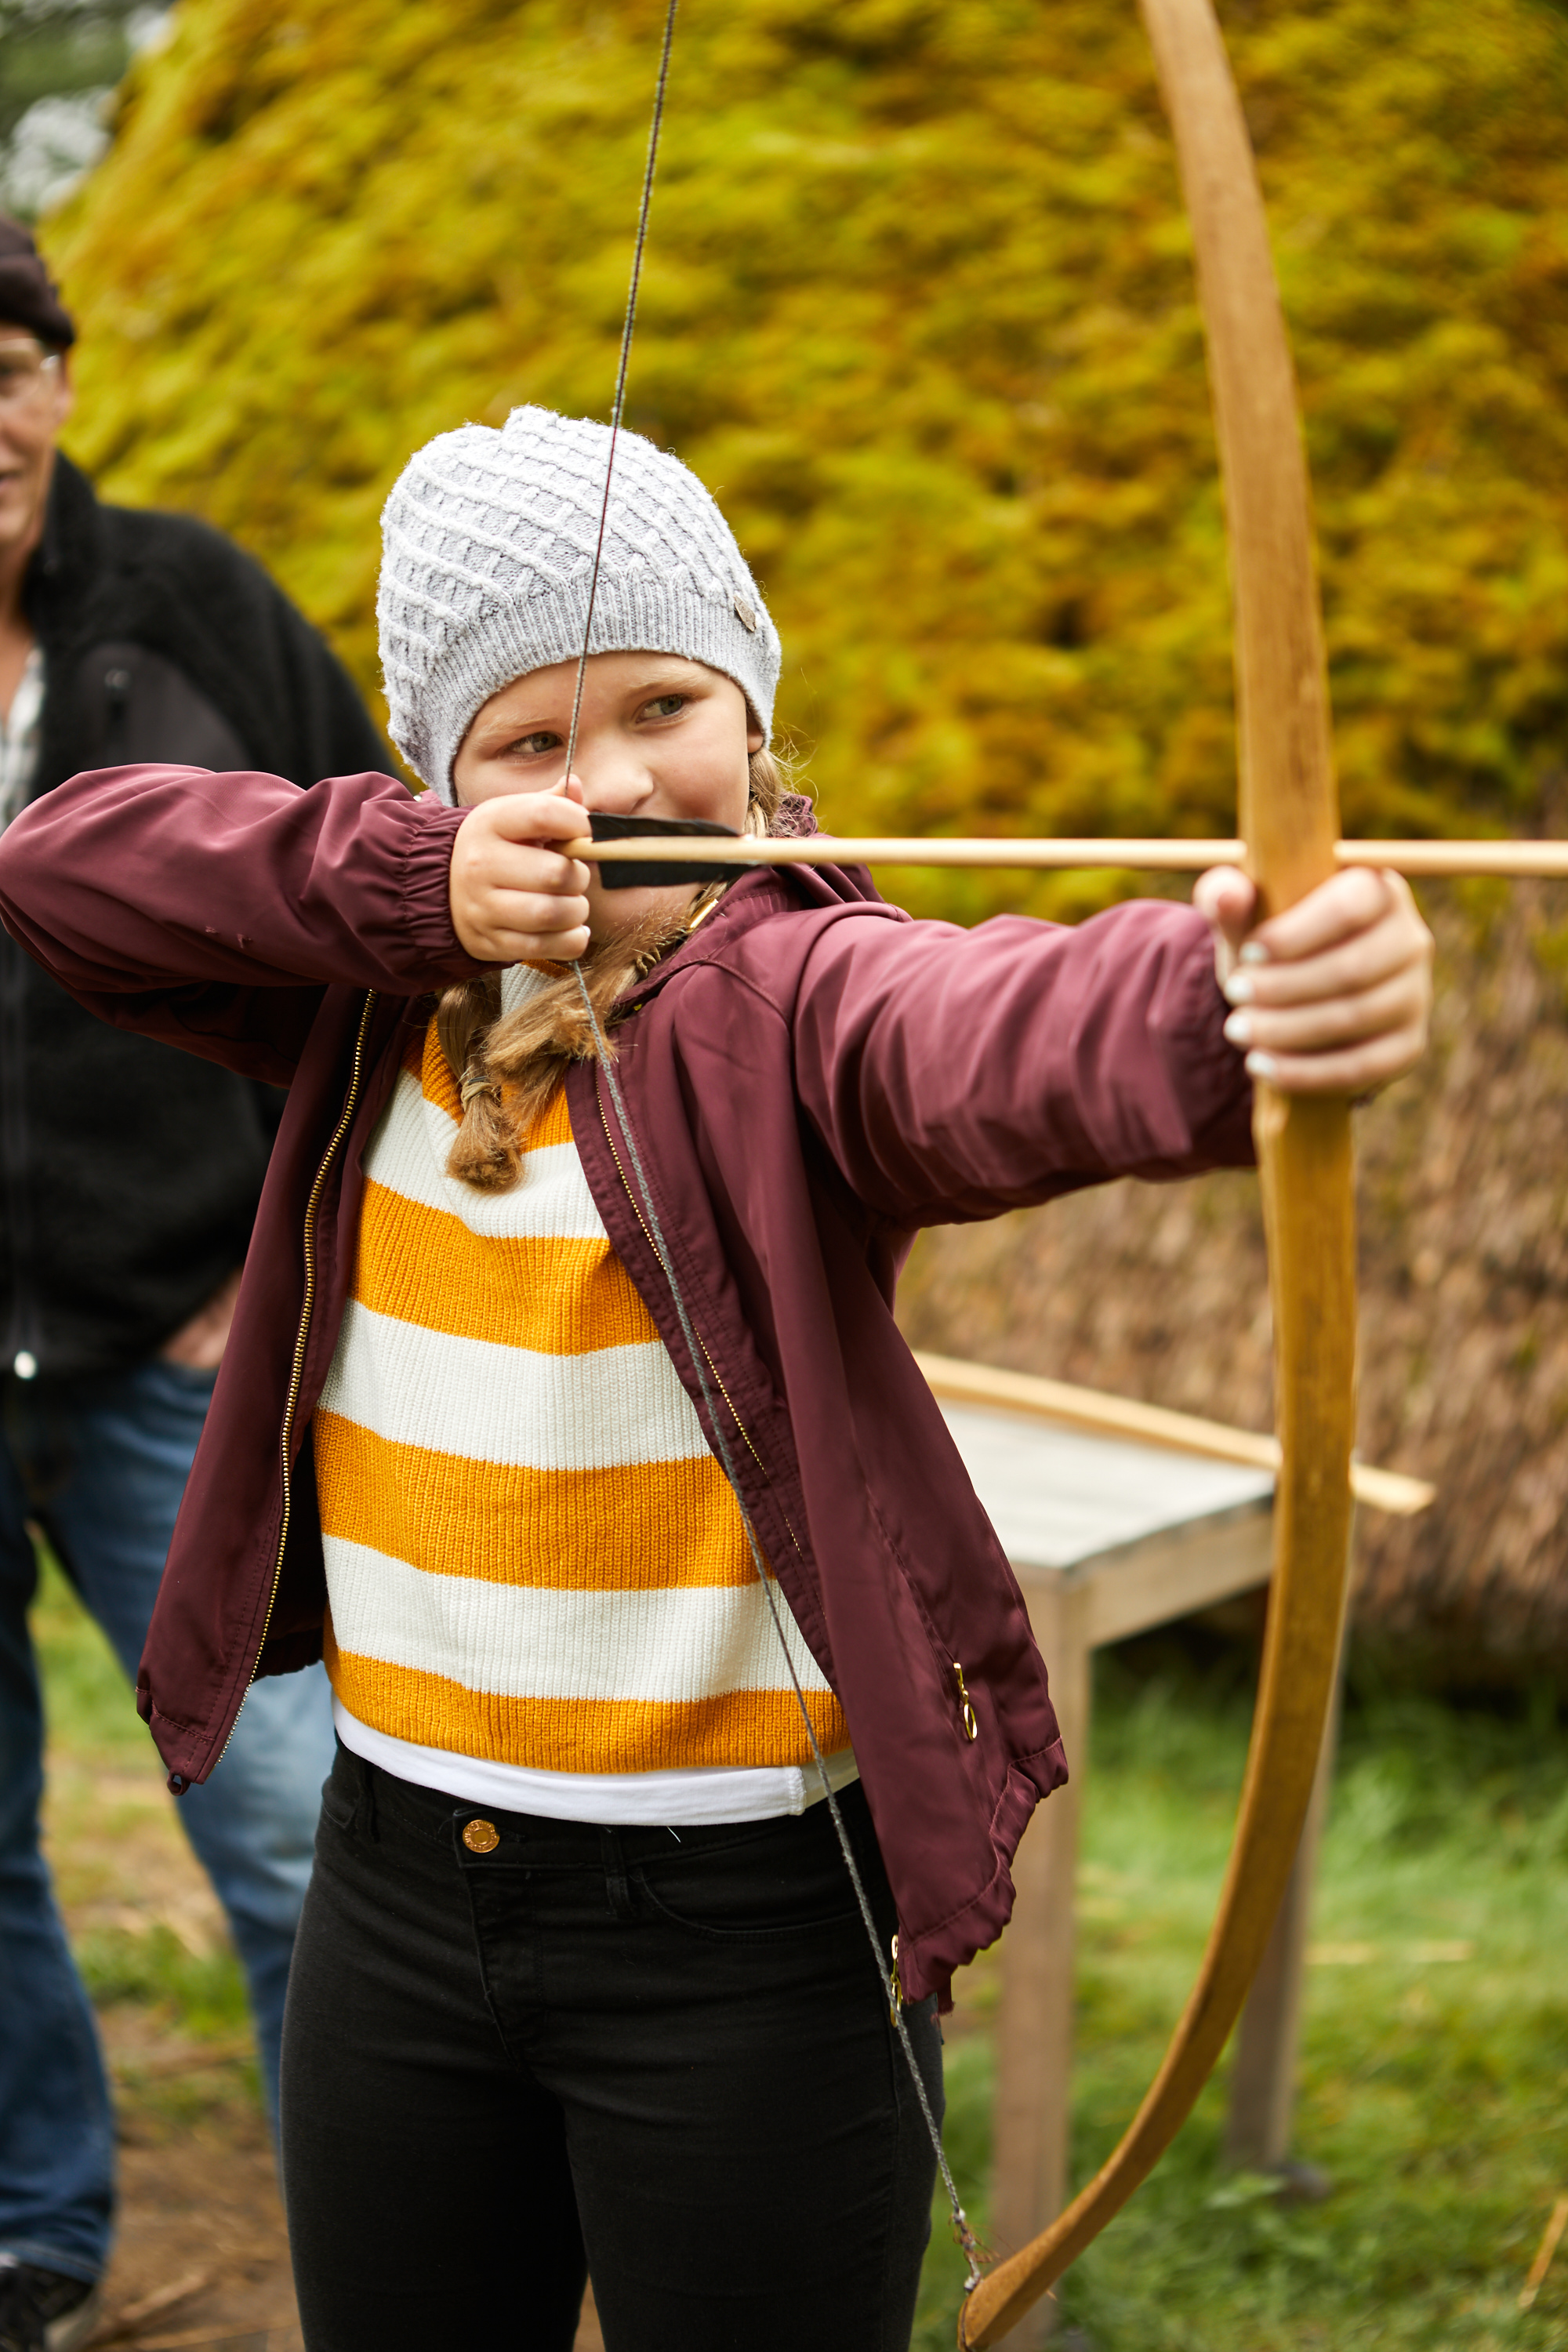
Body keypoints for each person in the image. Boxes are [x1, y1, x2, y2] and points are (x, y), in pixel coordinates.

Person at [0, 404, 1433, 2352]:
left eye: (667, 703)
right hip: (403, 1889)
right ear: (450, 781)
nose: (611, 781)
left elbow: (977, 1035)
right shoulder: (374, 996)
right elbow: (69, 864)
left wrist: (1226, 1008)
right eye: (531, 741)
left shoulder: (782, 994)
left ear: (753, 725)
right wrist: (425, 888)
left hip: (746, 1937)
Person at [0, 218, 392, 2352]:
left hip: (176, 1365)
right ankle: (32, 2233)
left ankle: (386, 2256)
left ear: (60, 382)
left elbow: (391, 906)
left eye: (11, 356)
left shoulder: (200, 609)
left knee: (297, 1838)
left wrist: (284, 1250)